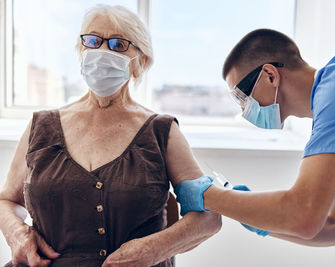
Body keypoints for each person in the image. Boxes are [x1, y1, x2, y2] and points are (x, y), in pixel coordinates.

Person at [0, 5, 221, 267]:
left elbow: (208, 217)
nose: (102, 52)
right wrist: (18, 235)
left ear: (141, 62)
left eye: (118, 45)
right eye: (92, 41)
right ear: (80, 50)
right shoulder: (41, 126)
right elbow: (7, 200)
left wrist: (154, 249)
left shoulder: (161, 131)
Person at [174, 28, 335, 247]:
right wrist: (261, 221)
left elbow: (303, 215)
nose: (244, 110)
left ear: (270, 75)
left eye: (242, 97)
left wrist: (209, 196)